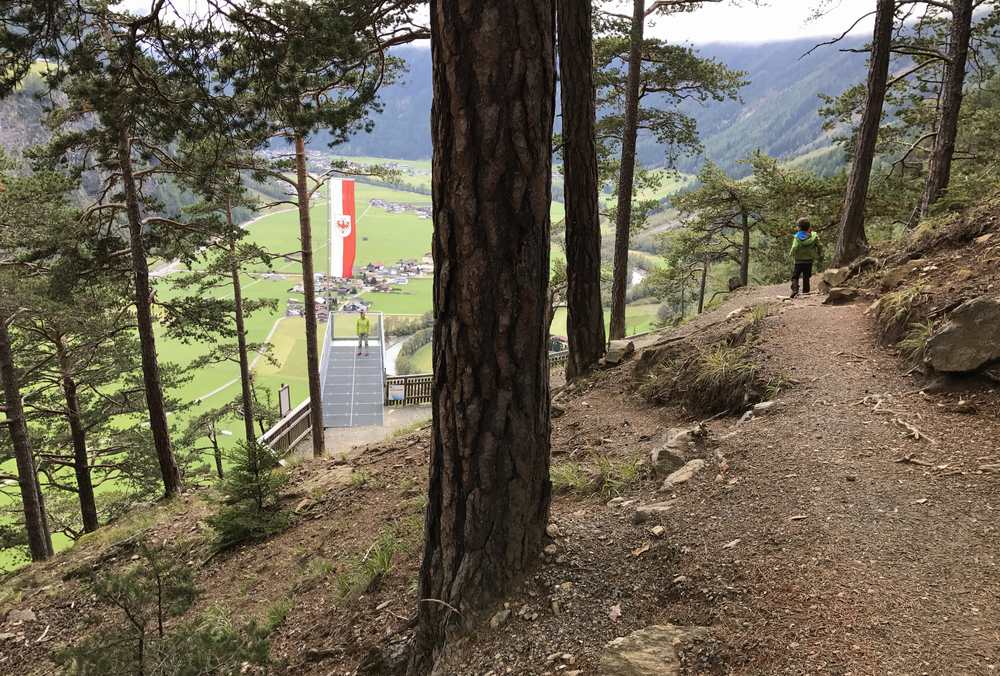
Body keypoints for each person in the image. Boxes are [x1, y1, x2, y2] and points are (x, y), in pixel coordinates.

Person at [789, 218, 820, 297]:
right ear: (809, 227)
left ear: (798, 227)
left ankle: (795, 290)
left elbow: (794, 247)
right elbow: (819, 245)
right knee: (806, 277)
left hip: (798, 261)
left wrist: (791, 253)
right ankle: (806, 292)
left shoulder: (797, 237)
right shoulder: (813, 236)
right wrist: (819, 253)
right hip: (809, 261)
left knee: (795, 276)